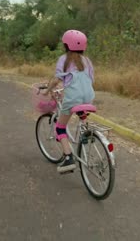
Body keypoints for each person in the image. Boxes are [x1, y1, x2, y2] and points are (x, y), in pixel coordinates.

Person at [43, 30, 95, 173]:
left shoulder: (64, 59)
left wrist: (47, 91)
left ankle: (68, 157)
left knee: (60, 127)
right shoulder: (87, 61)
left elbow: (56, 80)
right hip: (89, 96)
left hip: (73, 99)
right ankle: (85, 133)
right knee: (80, 108)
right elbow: (90, 79)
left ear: (66, 45)